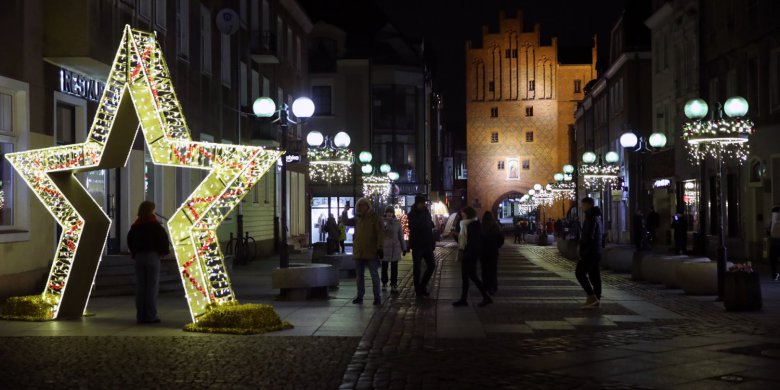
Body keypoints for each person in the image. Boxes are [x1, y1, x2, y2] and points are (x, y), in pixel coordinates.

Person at [126, 201, 170, 324]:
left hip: (139, 257)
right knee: (151, 287)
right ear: (151, 210)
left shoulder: (136, 225)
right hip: (152, 256)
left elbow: (129, 239)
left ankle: (140, 316)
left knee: (141, 287)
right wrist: (163, 253)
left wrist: (134, 252)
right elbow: (162, 239)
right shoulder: (154, 225)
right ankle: (150, 316)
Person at [452, 207, 492, 307]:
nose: (462, 216)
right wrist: (455, 235)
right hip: (466, 252)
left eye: (463, 215)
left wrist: (467, 253)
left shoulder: (473, 225)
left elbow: (472, 241)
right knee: (465, 277)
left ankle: (486, 297)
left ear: (468, 214)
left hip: (470, 254)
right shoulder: (466, 225)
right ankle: (463, 299)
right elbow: (462, 240)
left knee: (472, 276)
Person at [349, 198, 384, 305]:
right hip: (359, 251)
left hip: (371, 251)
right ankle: (360, 296)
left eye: (364, 205)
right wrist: (345, 211)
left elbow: (380, 233)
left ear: (368, 206)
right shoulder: (357, 219)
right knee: (359, 276)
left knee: (374, 275)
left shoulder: (374, 218)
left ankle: (377, 297)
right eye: (360, 206)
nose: (362, 207)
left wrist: (380, 247)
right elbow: (345, 221)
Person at [576, 197, 603, 308]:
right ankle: (596, 299)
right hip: (595, 251)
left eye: (583, 205)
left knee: (580, 273)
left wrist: (583, 249)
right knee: (594, 276)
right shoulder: (596, 216)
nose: (581, 207)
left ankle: (592, 297)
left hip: (590, 252)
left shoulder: (591, 217)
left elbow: (589, 236)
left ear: (588, 205)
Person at [407, 195, 436, 297]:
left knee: (432, 265)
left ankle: (422, 285)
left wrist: (432, 242)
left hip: (427, 244)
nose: (423, 205)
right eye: (422, 203)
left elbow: (429, 228)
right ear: (417, 203)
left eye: (424, 203)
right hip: (417, 245)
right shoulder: (412, 214)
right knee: (417, 269)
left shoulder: (426, 212)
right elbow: (415, 228)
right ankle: (418, 290)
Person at [381, 206, 406, 295]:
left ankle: (394, 284)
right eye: (388, 212)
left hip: (395, 248)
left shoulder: (397, 222)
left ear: (393, 213)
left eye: (391, 212)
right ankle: (384, 283)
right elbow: (380, 235)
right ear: (385, 213)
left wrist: (404, 248)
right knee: (384, 266)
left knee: (394, 268)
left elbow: (401, 236)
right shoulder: (382, 222)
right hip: (385, 248)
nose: (389, 214)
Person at [481, 211, 504, 295]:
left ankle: (485, 286)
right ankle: (493, 287)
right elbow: (501, 239)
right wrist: (496, 246)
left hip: (483, 252)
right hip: (493, 252)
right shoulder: (496, 227)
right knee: (493, 270)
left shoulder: (481, 227)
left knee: (484, 270)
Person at [768, 206, 780, 281]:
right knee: (773, 259)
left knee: (773, 259)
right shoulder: (773, 220)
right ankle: (774, 274)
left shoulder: (773, 220)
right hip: (775, 242)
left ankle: (774, 274)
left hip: (774, 243)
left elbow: (770, 231)